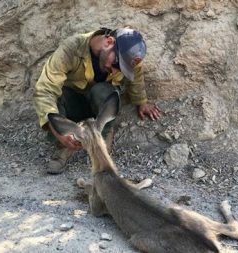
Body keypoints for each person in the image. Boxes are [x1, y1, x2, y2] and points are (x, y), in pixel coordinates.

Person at [33, 27, 161, 174]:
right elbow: (45, 89)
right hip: (74, 104)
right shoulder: (72, 48)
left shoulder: (128, 55)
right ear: (108, 42)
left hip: (101, 109)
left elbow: (136, 77)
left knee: (105, 93)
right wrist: (58, 132)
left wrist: (141, 102)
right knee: (56, 95)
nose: (115, 72)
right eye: (116, 65)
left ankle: (102, 138)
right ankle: (65, 146)